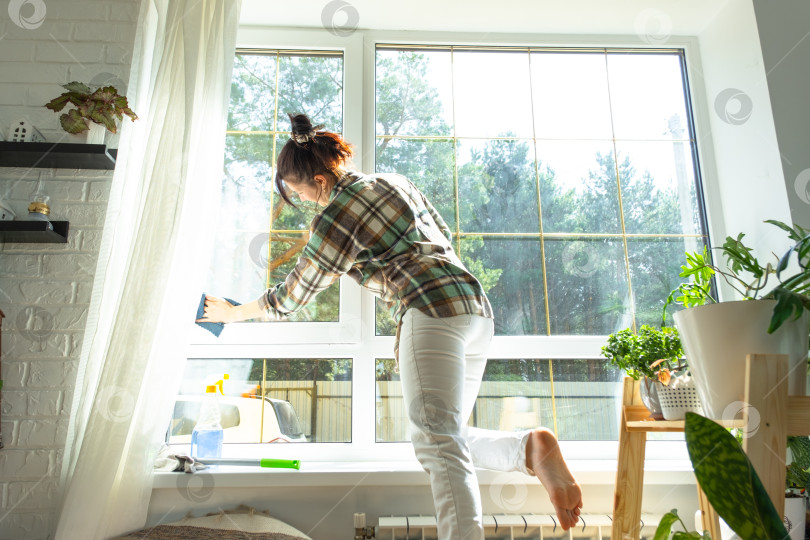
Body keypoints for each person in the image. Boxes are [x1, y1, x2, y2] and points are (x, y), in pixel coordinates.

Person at [197, 113, 583, 539]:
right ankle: (527, 450)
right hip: (474, 308)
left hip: (430, 310)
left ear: (321, 181)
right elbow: (442, 233)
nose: (303, 200)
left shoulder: (335, 215)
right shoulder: (394, 180)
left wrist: (233, 313)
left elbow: (294, 296)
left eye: (300, 191)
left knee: (438, 444)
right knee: (445, 435)